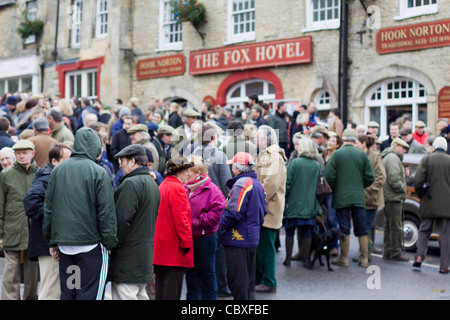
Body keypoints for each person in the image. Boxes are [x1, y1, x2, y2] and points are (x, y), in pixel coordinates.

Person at [43, 127, 118, 300]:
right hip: (90, 245)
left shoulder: (58, 170)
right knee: (89, 294)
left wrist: (51, 240)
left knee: (71, 291)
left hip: (66, 245)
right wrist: (110, 242)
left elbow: (49, 208)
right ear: (96, 148)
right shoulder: (98, 171)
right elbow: (106, 211)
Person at [108, 144, 160, 300]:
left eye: (122, 162)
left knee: (125, 294)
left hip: (127, 255)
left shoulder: (131, 183)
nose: (120, 167)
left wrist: (111, 243)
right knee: (140, 294)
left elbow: (122, 219)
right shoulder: (151, 183)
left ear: (132, 161)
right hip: (143, 253)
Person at [23, 143, 72, 300]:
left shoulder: (57, 175)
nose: (71, 162)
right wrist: (54, 213)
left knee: (65, 287)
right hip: (48, 245)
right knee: (51, 290)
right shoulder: (48, 177)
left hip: (59, 243)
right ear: (54, 161)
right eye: (67, 159)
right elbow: (30, 202)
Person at [324, 128, 375, 268]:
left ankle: (344, 259)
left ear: (343, 139)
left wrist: (336, 187)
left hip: (341, 198)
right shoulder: (362, 155)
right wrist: (360, 185)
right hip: (358, 197)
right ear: (354, 140)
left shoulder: (336, 155)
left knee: (344, 228)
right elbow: (371, 177)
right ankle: (364, 259)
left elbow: (328, 176)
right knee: (362, 228)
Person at [220, 152, 266, 300]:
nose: (232, 168)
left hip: (238, 240)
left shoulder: (242, 183)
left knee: (238, 283)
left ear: (237, 168)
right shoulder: (257, 183)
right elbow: (263, 211)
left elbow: (233, 212)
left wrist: (220, 227)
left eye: (233, 165)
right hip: (251, 237)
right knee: (248, 284)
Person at [0, 139, 38, 300]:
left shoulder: (40, 173)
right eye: (18, 153)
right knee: (10, 271)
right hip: (12, 227)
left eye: (25, 153)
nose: (22, 156)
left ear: (32, 154)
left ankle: (30, 297)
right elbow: (0, 204)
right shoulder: (6, 175)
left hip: (33, 228)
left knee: (32, 271)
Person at [183, 156, 225, 300]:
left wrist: (198, 222)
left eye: (189, 171)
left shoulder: (213, 190)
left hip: (205, 238)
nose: (186, 174)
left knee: (207, 273)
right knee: (190, 274)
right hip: (188, 238)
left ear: (198, 172)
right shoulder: (184, 188)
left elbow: (218, 211)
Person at [153, 156, 194, 300]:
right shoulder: (177, 189)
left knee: (161, 288)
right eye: (187, 170)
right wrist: (186, 243)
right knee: (172, 290)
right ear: (179, 171)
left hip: (161, 247)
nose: (189, 174)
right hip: (173, 249)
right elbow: (181, 221)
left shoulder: (163, 185)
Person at [254, 125, 286, 293]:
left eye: (258, 137)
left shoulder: (274, 156)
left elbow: (271, 184)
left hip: (269, 207)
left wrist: (257, 200)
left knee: (267, 248)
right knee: (262, 246)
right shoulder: (266, 154)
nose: (255, 140)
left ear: (266, 139)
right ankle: (261, 278)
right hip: (264, 207)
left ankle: (269, 281)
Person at [284, 137, 324, 267]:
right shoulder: (316, 165)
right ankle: (307, 260)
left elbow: (287, 183)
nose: (298, 148)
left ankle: (288, 259)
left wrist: (285, 200)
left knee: (290, 231)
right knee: (307, 232)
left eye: (300, 146)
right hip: (309, 204)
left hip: (293, 203)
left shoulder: (295, 163)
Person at [413, 137, 450, 274]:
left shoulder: (427, 159)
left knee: (424, 230)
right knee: (445, 234)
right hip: (447, 204)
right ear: (445, 148)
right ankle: (444, 265)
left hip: (428, 200)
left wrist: (420, 194)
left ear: (434, 146)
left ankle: (419, 256)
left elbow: (418, 180)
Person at [354, 135, 386, 261]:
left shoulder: (374, 156)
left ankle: (365, 253)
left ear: (363, 144)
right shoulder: (358, 155)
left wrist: (368, 190)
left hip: (371, 197)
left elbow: (381, 177)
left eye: (356, 142)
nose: (354, 144)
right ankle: (368, 249)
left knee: (366, 224)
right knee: (367, 224)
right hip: (361, 197)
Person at [381, 137, 410, 261]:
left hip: (388, 196)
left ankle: (388, 250)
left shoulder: (388, 157)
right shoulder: (393, 158)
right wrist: (402, 189)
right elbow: (393, 179)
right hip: (393, 196)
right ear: (395, 146)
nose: (404, 151)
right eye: (403, 148)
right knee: (396, 225)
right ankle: (396, 252)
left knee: (388, 225)